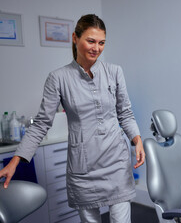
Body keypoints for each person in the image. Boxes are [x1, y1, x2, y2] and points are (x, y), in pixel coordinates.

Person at [0, 14, 145, 223]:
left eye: (102, 42)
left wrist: (137, 140)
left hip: (117, 163)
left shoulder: (114, 72)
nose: (97, 48)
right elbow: (41, 124)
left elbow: (125, 113)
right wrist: (15, 161)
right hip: (83, 168)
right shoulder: (58, 78)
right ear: (75, 38)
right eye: (91, 41)